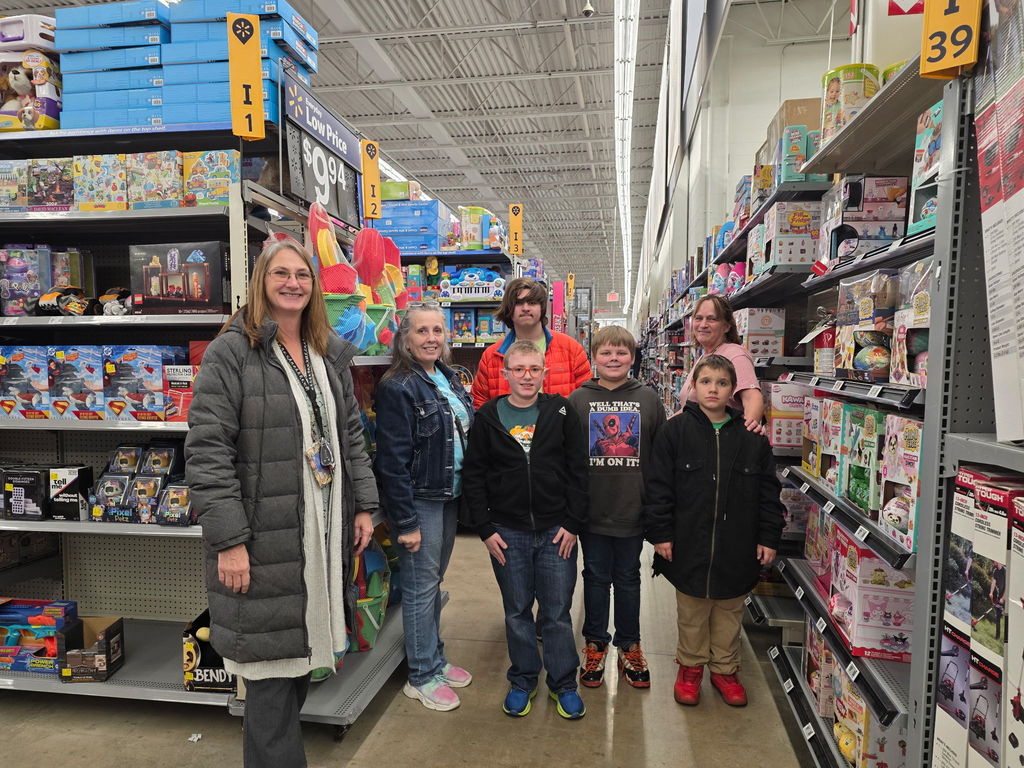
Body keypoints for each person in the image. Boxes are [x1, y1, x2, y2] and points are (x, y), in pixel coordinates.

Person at [185, 239, 378, 768]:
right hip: (263, 537)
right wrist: (229, 541)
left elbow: (351, 437)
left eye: (303, 275)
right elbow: (207, 450)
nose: (293, 283)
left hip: (319, 532)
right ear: (260, 282)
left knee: (298, 667)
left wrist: (363, 505)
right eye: (281, 274)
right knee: (270, 680)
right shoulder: (233, 350)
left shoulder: (326, 351)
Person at [645, 354, 785, 707]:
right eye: (706, 382)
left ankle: (725, 669)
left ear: (732, 390)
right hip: (688, 543)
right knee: (691, 611)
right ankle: (690, 669)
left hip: (736, 546)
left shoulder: (752, 439)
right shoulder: (674, 431)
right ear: (693, 386)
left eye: (722, 383)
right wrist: (661, 533)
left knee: (729, 611)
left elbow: (769, 493)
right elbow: (658, 487)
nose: (713, 389)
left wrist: (769, 536)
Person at [462, 340, 589, 719]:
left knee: (556, 612)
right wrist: (484, 529)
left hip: (556, 533)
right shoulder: (487, 417)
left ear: (545, 373)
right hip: (507, 532)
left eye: (534, 369)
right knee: (516, 611)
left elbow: (579, 470)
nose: (527, 377)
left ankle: (564, 682)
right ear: (505, 374)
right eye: (518, 370)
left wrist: (572, 523)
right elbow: (474, 476)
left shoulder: (560, 411)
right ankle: (522, 679)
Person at [373, 303, 474, 711]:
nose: (432, 338)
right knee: (419, 588)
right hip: (419, 501)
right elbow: (392, 461)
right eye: (422, 331)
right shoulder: (397, 385)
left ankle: (435, 658)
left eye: (438, 330)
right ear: (405, 338)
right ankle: (421, 675)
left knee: (433, 584)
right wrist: (407, 522)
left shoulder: (446, 376)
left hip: (448, 495)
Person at [569, 326, 665, 690]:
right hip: (592, 510)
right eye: (606, 353)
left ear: (633, 356)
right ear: (593, 357)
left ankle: (630, 644)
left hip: (632, 508)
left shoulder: (649, 399)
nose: (613, 359)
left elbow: (658, 458)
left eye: (621, 353)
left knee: (627, 578)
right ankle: (595, 643)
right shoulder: (578, 400)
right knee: (594, 577)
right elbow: (569, 458)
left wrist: (655, 510)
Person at [472, 276, 591, 410]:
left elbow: (586, 398)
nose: (525, 308)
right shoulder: (491, 356)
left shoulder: (571, 348)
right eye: (518, 303)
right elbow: (479, 402)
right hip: (506, 430)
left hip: (560, 429)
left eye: (532, 302)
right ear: (509, 309)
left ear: (542, 308)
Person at [679, 294, 764, 432]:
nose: (703, 324)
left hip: (719, 443)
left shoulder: (735, 354)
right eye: (698, 318)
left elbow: (752, 398)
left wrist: (746, 438)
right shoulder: (704, 357)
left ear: (726, 326)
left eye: (711, 319)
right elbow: (688, 410)